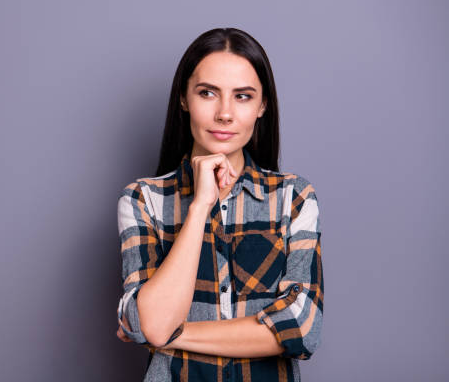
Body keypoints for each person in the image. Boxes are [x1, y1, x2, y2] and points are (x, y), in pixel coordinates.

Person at [115, 27, 323, 382]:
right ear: (184, 99)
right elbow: (148, 321)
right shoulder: (143, 199)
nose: (225, 113)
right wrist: (200, 206)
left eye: (242, 96)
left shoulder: (293, 197)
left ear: (262, 106)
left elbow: (301, 328)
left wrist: (174, 334)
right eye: (208, 93)